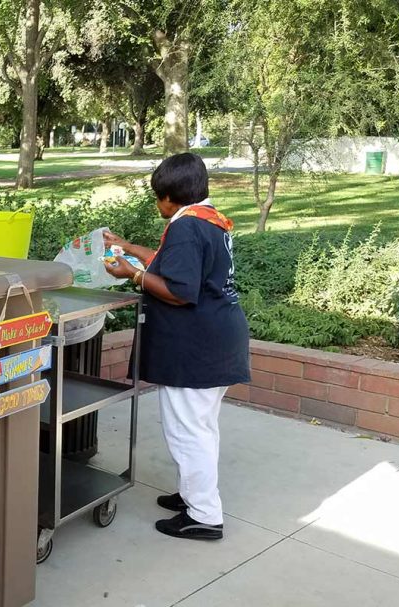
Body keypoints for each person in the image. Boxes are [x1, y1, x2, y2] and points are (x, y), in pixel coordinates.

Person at [103, 153, 250, 541]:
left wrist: (132, 275)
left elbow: (180, 291)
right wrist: (130, 248)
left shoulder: (185, 228)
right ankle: (193, 495)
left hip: (197, 348)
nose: (158, 205)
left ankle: (203, 515)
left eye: (158, 198)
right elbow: (173, 266)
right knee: (201, 428)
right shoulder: (207, 219)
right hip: (219, 339)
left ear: (170, 196)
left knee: (189, 432)